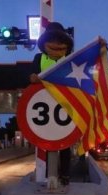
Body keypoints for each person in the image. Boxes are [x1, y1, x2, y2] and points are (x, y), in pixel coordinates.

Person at [29, 22, 74, 185]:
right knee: (46, 143)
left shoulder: (70, 60)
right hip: (45, 108)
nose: (55, 43)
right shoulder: (38, 58)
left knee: (65, 144)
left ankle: (66, 175)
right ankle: (48, 173)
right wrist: (32, 78)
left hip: (64, 109)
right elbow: (30, 78)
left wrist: (101, 49)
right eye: (51, 39)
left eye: (59, 40)